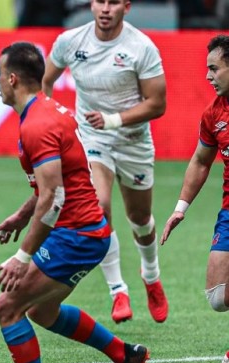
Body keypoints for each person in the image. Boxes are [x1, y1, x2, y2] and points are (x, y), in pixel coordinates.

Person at [0, 41, 148, 363]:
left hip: (77, 234)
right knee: (42, 311)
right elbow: (59, 184)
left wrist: (23, 257)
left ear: (13, 78)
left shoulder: (37, 124)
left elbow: (53, 197)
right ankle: (125, 356)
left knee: (8, 307)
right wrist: (21, 215)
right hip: (83, 229)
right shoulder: (46, 111)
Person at [42, 0, 169, 324]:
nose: (105, 8)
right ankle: (118, 291)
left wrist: (113, 120)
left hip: (133, 141)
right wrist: (53, 119)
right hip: (93, 139)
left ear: (126, 6)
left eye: (114, 2)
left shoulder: (141, 47)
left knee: (139, 218)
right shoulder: (71, 41)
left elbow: (157, 103)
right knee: (99, 206)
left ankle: (151, 276)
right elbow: (44, 81)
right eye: (100, 1)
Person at [160, 34, 229, 363]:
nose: (208, 76)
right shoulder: (214, 114)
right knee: (218, 297)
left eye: (214, 68)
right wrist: (180, 208)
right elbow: (201, 162)